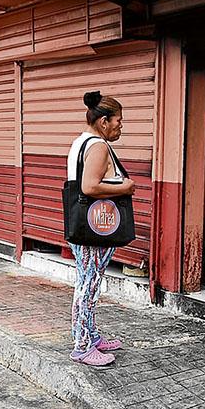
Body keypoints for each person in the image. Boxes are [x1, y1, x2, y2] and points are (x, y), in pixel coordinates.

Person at [64, 91, 135, 367]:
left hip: (84, 225)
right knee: (89, 285)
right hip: (94, 228)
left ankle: (90, 336)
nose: (121, 126)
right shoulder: (98, 146)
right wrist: (124, 187)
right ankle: (82, 345)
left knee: (86, 282)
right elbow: (89, 187)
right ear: (103, 121)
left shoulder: (80, 142)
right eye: (118, 121)